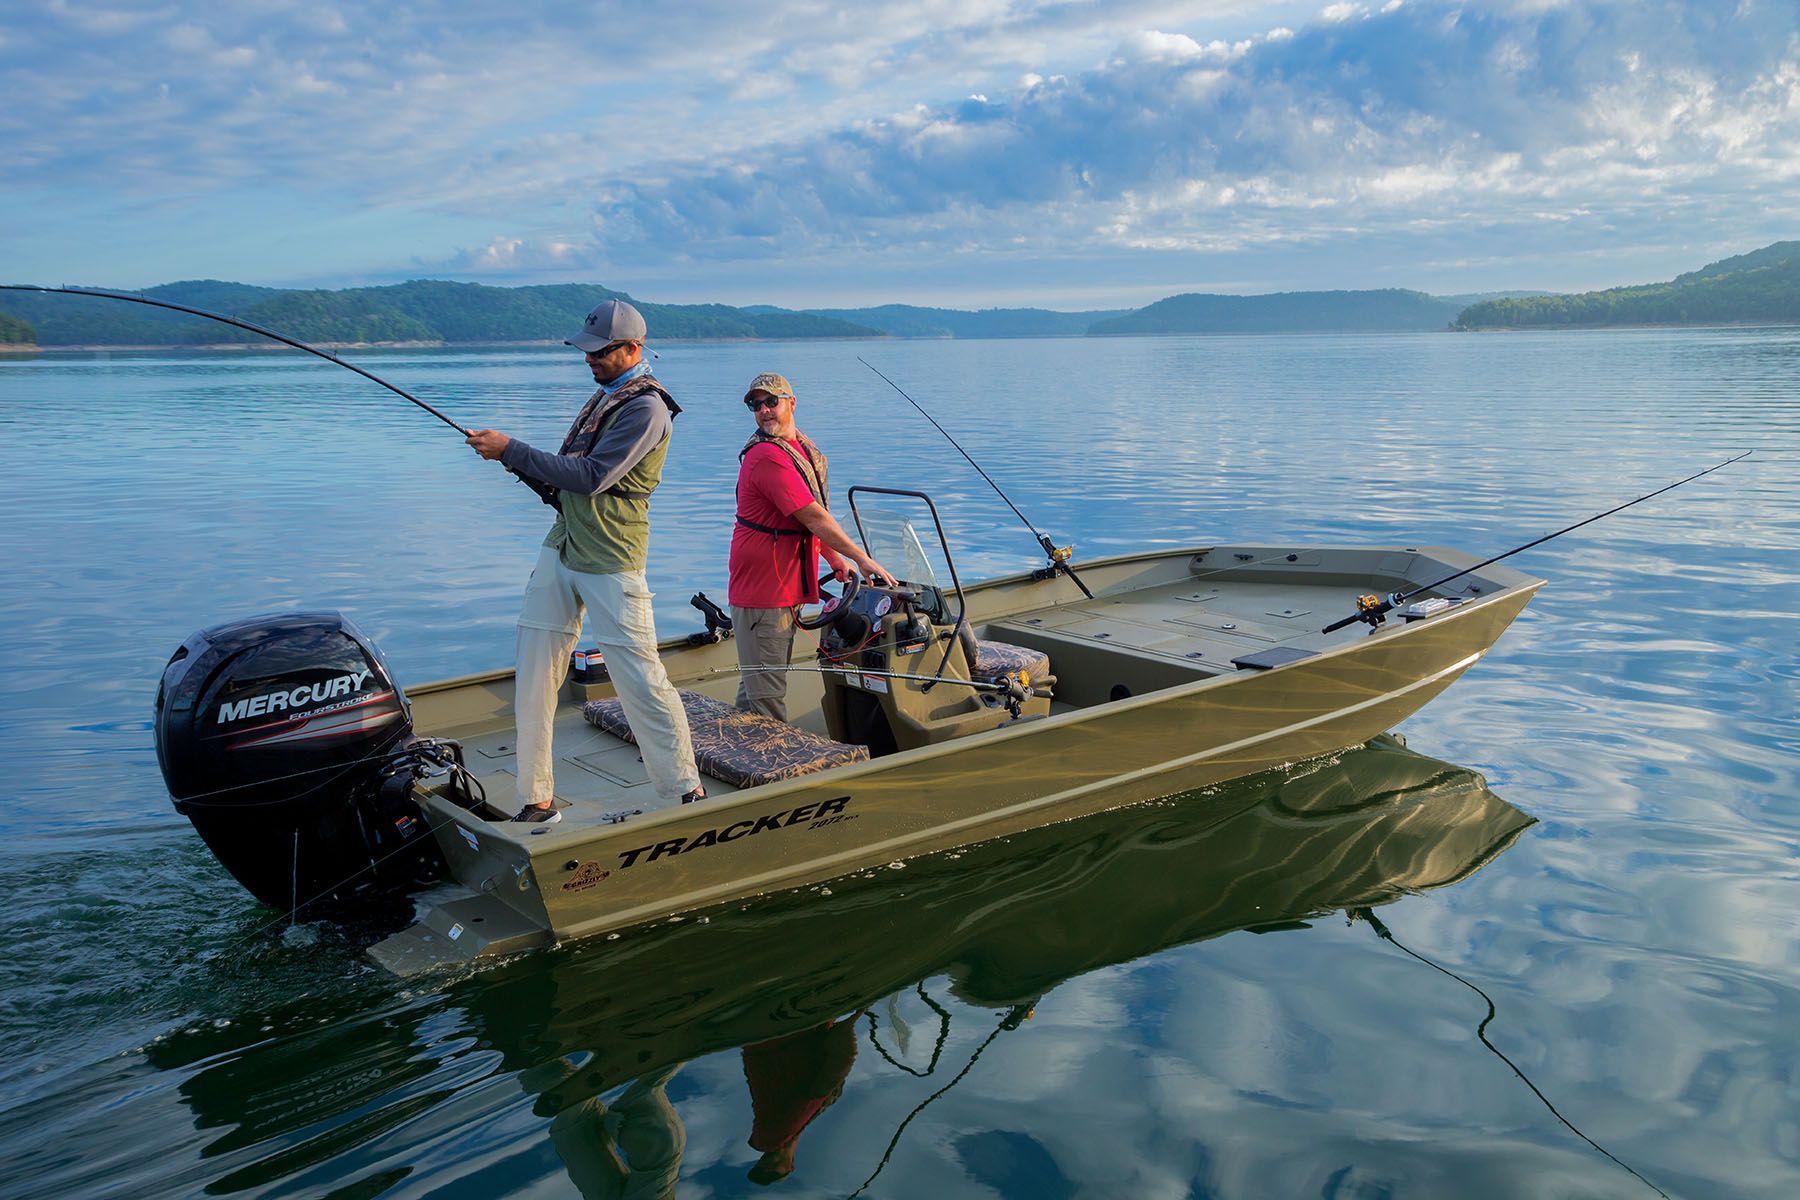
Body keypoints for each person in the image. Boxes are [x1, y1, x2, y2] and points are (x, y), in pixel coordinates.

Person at [465, 299, 704, 822]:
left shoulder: (647, 407)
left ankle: (685, 788)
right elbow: (564, 477)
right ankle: (537, 798)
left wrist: (511, 449)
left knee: (638, 675)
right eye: (587, 349)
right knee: (533, 670)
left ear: (634, 349)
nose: (589, 359)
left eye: (601, 351)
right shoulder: (605, 397)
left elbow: (594, 476)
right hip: (563, 543)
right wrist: (516, 463)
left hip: (612, 555)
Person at [727, 372, 891, 722]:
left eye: (771, 401)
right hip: (763, 595)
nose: (764, 411)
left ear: (791, 402)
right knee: (767, 700)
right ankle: (774, 772)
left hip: (783, 590)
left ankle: (737, 757)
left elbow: (805, 521)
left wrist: (834, 558)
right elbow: (814, 517)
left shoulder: (801, 448)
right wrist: (860, 558)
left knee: (758, 687)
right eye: (756, 405)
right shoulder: (766, 457)